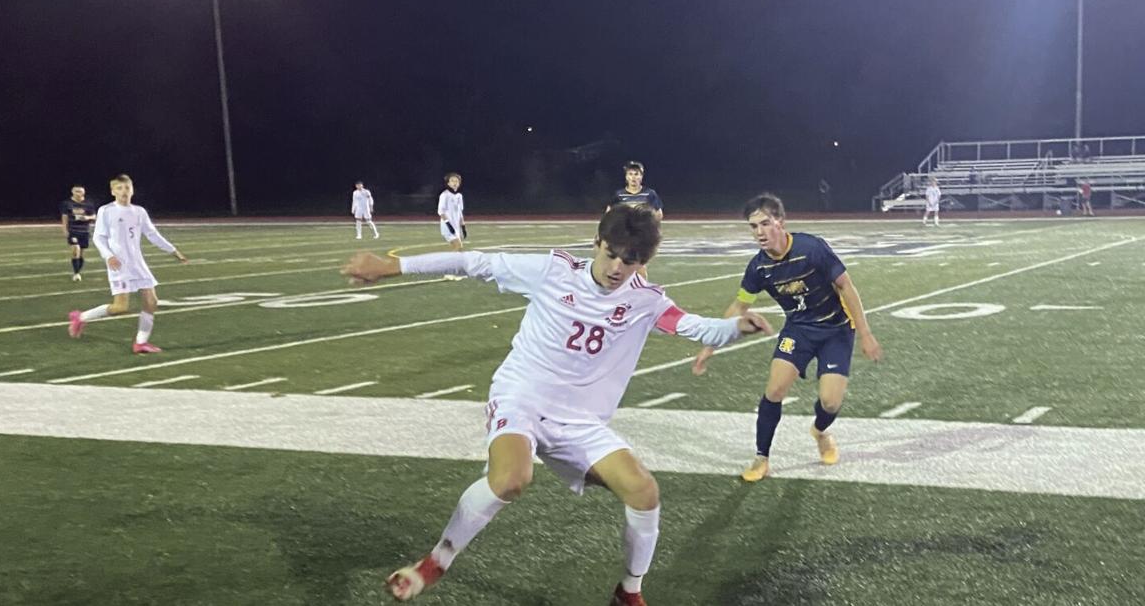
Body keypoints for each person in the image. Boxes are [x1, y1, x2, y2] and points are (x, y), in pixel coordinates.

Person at [343, 205, 772, 605]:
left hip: (580, 422)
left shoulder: (646, 301)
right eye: (612, 255)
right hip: (522, 397)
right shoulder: (553, 270)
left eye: (632, 260)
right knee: (512, 479)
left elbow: (694, 326)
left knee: (644, 492)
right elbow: (472, 262)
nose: (618, 268)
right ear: (596, 244)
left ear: (645, 262)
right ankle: (436, 561)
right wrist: (392, 265)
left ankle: (628, 591)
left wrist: (734, 327)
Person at [693, 193, 881, 482]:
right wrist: (711, 344)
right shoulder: (758, 267)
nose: (759, 232)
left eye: (765, 224)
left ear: (780, 222)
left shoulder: (811, 248)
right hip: (798, 331)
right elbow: (739, 307)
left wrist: (866, 333)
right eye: (753, 227)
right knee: (775, 390)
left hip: (836, 330)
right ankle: (761, 457)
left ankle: (819, 431)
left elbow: (847, 287)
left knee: (830, 402)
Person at [67, 174, 188, 353]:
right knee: (121, 307)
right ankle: (81, 317)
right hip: (119, 265)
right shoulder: (106, 211)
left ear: (132, 190)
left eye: (127, 188)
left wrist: (172, 250)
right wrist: (108, 256)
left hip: (138, 263)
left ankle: (140, 343)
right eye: (120, 188)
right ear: (113, 191)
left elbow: (152, 234)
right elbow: (99, 237)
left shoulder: (139, 212)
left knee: (151, 302)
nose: (124, 191)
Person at [60, 184, 98, 281]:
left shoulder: (88, 204)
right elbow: (65, 217)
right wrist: (65, 229)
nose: (78, 193)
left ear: (83, 192)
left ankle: (78, 271)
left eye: (80, 191)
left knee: (81, 253)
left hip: (84, 231)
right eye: (76, 191)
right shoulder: (67, 203)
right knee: (75, 250)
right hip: (73, 230)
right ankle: (76, 273)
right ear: (72, 192)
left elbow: (94, 216)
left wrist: (87, 218)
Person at [438, 172, 466, 251]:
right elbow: (441, 211)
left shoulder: (459, 196)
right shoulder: (444, 195)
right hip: (447, 226)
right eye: (452, 181)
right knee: (458, 246)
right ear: (448, 183)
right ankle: (448, 263)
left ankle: (454, 263)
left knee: (459, 249)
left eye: (456, 181)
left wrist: (463, 226)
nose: (455, 183)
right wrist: (448, 224)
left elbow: (460, 212)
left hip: (456, 226)